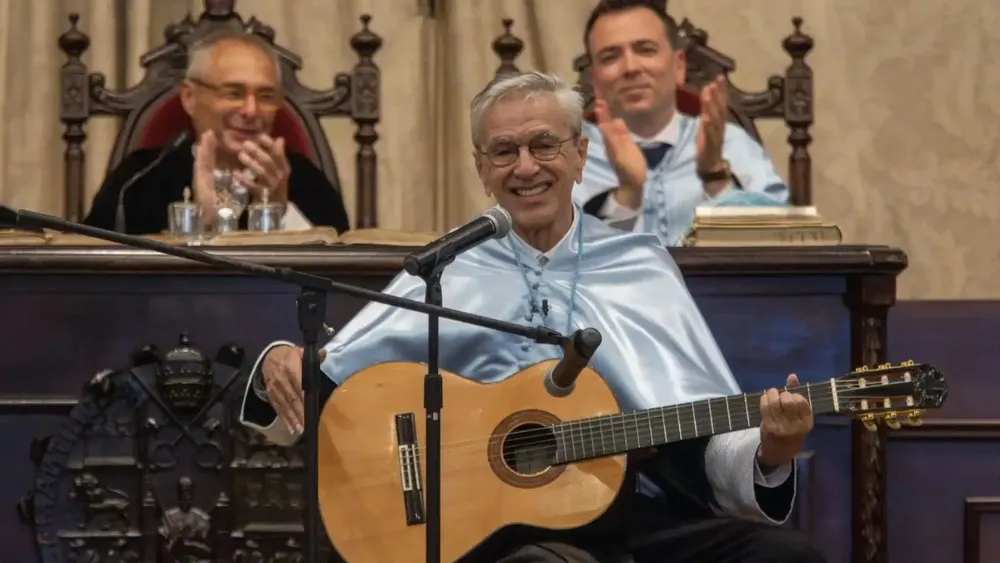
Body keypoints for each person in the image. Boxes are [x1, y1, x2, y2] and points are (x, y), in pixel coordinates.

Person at [238, 71, 824, 563]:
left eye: (544, 144)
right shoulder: (452, 263)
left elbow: (699, 428)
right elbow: (333, 378)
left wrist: (770, 452)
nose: (525, 167)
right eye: (504, 151)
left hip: (614, 512)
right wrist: (281, 362)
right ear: (480, 166)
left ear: (579, 153)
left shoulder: (640, 264)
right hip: (474, 524)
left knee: (787, 557)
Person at [83, 29, 351, 235]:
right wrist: (200, 226)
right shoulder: (140, 180)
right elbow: (94, 277)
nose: (251, 110)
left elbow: (342, 282)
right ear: (189, 98)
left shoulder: (303, 180)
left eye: (266, 96)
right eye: (233, 93)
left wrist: (277, 210)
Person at [573, 0, 789, 246]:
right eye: (611, 57)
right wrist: (627, 197)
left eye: (645, 49)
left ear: (678, 66)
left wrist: (715, 176)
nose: (631, 68)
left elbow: (783, 247)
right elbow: (556, 264)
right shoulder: (568, 159)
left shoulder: (732, 143)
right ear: (595, 81)